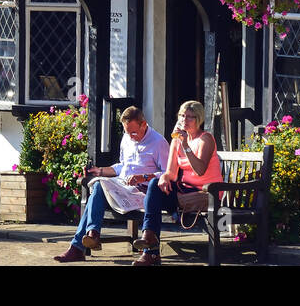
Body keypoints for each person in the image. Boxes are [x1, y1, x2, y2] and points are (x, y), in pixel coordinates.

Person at [53, 106, 171, 263]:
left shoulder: (158, 143)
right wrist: (100, 171)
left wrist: (143, 177)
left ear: (144, 124)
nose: (131, 136)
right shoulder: (127, 138)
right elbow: (123, 166)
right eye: (127, 132)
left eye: (134, 132)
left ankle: (78, 247)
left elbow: (167, 173)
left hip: (143, 193)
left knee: (95, 195)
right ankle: (92, 234)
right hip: (123, 187)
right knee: (98, 185)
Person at [131, 99, 222, 266]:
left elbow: (200, 170)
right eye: (181, 116)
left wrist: (186, 145)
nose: (184, 120)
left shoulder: (205, 139)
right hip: (184, 190)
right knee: (154, 185)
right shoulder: (176, 140)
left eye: (189, 117)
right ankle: (149, 238)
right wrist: (164, 178)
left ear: (199, 119)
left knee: (155, 200)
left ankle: (149, 252)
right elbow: (171, 173)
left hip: (207, 192)